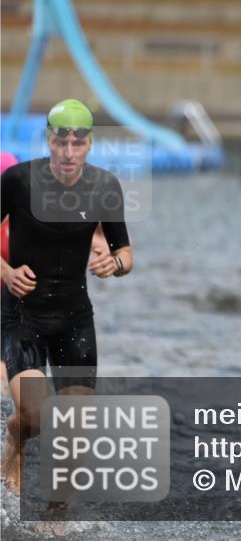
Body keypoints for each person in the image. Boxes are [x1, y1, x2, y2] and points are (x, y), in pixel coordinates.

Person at [1, 99, 133, 496]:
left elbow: (125, 252)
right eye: (61, 142)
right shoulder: (19, 181)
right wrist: (6, 272)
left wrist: (116, 265)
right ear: (49, 141)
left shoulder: (105, 187)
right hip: (23, 313)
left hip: (75, 317)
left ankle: (57, 519)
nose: (69, 152)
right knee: (35, 414)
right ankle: (16, 442)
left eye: (78, 143)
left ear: (90, 144)